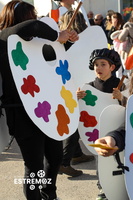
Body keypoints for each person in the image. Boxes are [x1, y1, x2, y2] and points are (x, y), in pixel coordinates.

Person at [0, 1, 78, 199]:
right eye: (30, 15)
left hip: (49, 107)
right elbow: (33, 26)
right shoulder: (4, 37)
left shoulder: (34, 41)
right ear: (19, 17)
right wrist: (56, 34)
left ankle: (48, 193)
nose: (34, 19)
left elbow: (52, 57)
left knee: (55, 156)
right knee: (33, 165)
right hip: (21, 111)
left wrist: (66, 40)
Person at [77, 48, 125, 200]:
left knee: (120, 158)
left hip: (118, 129)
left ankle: (121, 185)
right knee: (101, 160)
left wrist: (122, 97)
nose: (99, 68)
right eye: (96, 64)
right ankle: (102, 187)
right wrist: (77, 98)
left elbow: (131, 106)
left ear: (112, 67)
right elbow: (80, 109)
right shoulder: (89, 87)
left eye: (103, 64)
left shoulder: (121, 85)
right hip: (97, 131)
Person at [58, 10, 95, 177]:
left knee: (76, 119)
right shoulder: (73, 41)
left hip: (68, 85)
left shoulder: (60, 40)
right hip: (73, 86)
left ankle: (76, 154)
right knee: (74, 123)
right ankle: (64, 162)